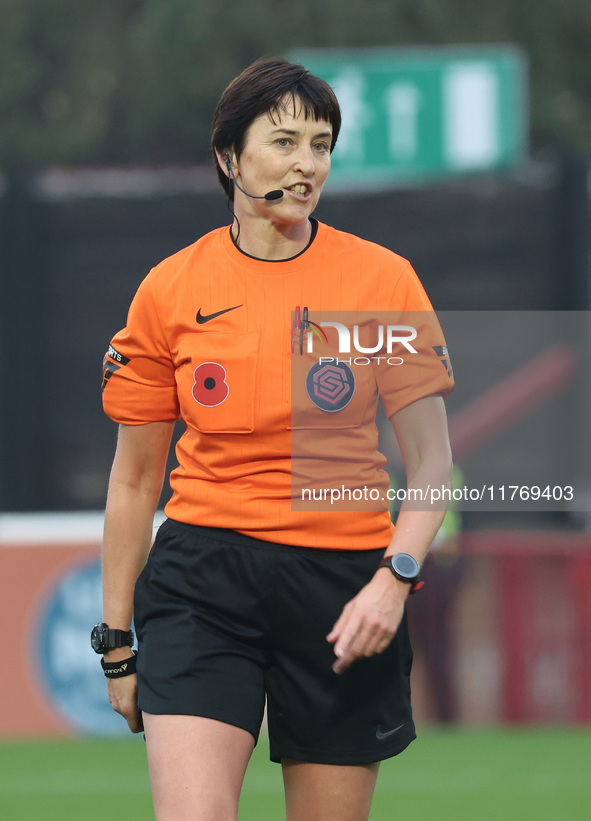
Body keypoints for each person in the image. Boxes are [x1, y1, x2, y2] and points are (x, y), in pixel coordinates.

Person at [95, 57, 454, 821]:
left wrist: (394, 580)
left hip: (344, 586)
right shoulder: (170, 287)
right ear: (229, 157)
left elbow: (432, 463)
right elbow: (133, 482)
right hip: (202, 584)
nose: (306, 164)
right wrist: (116, 640)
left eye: (320, 145)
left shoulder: (381, 282)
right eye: (284, 141)